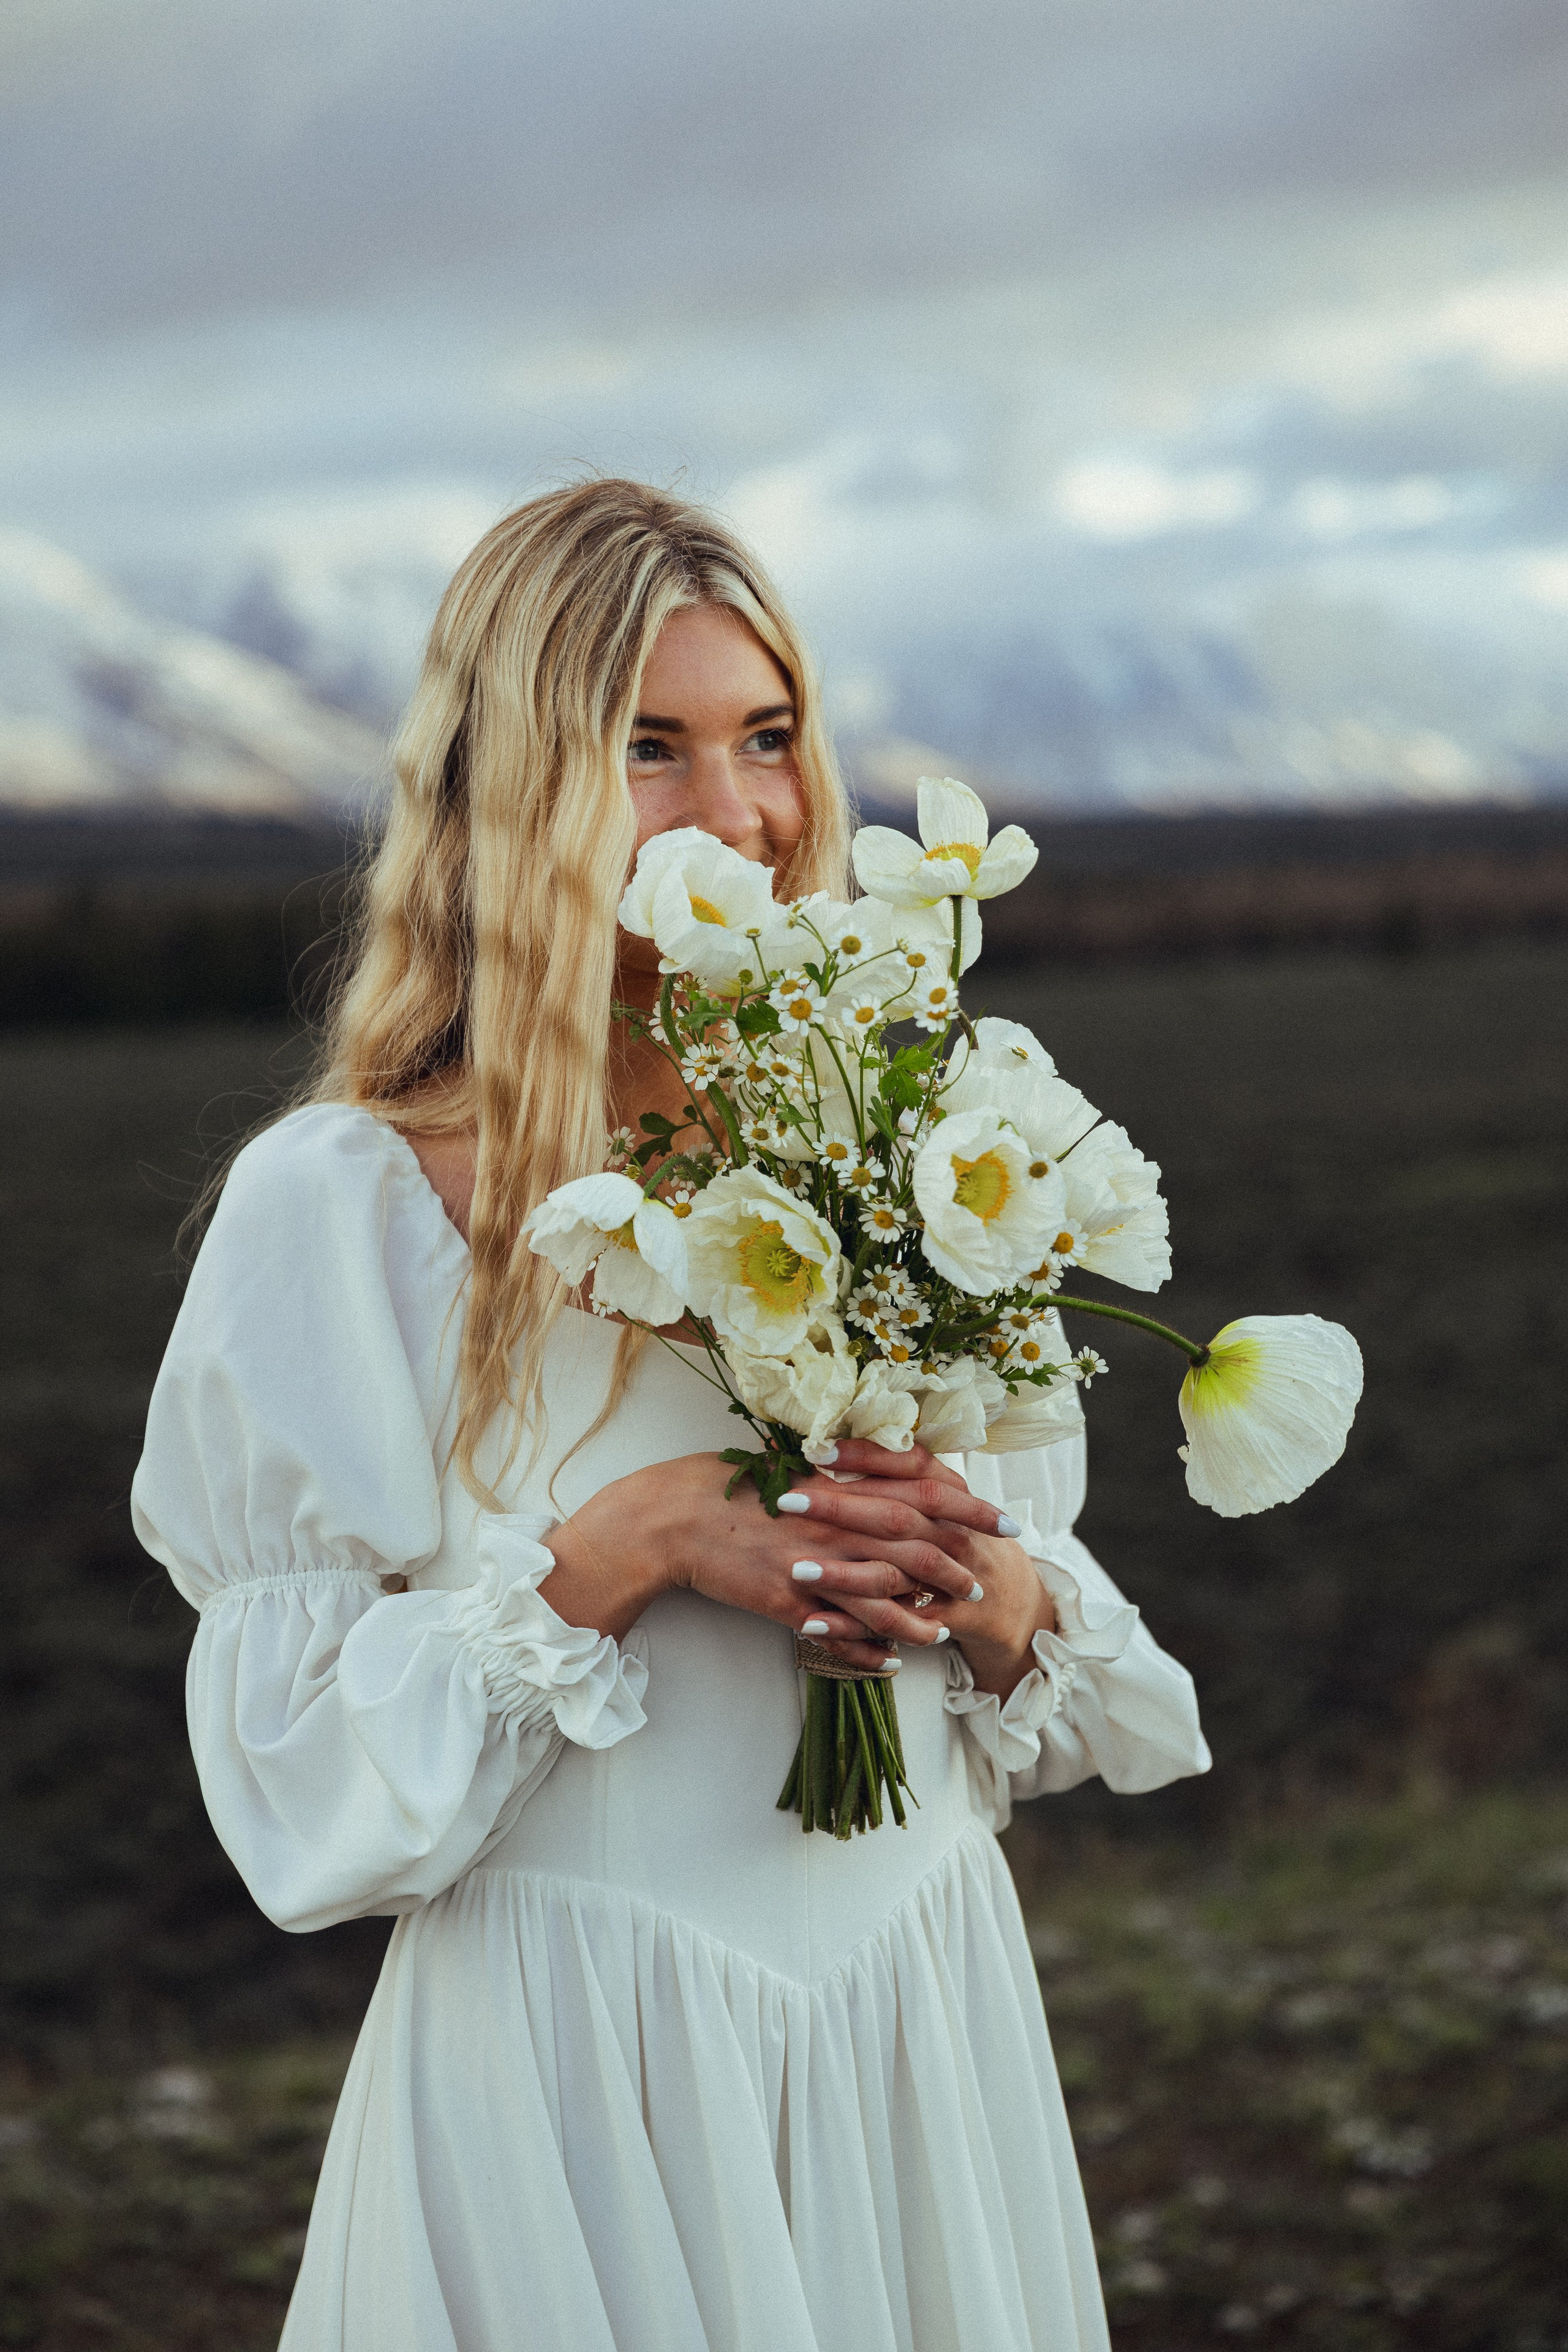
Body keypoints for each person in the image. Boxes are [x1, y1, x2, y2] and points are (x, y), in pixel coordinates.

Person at [131, 478, 1210, 2352]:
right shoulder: (351, 1207)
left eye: (769, 737)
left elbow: (1037, 1661)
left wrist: (990, 1590)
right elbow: (302, 1784)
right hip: (580, 2084)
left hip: (911, 2032)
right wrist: (626, 1548)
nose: (740, 813)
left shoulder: (919, 1147)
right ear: (510, 783)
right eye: (651, 748)